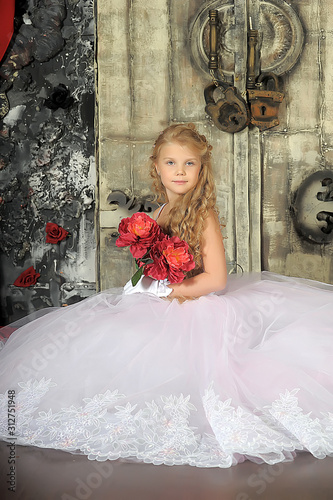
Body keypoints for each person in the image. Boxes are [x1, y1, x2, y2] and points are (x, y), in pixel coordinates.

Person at [0, 123, 332, 468]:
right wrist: (146, 283)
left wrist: (166, 291)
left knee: (183, 359)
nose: (180, 171)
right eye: (171, 162)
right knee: (111, 343)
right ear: (155, 166)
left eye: (189, 163)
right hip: (158, 297)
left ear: (201, 169)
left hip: (190, 303)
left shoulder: (202, 214)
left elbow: (216, 279)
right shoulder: (156, 213)